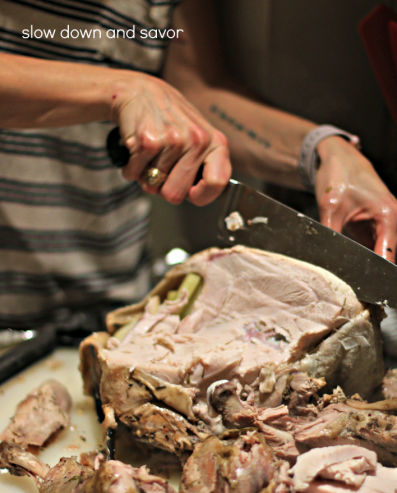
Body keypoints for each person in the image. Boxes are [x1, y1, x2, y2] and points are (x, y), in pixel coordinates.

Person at [1, 0, 396, 329]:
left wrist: (325, 149)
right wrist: (122, 88)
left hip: (108, 303)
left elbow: (196, 95)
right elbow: (149, 93)